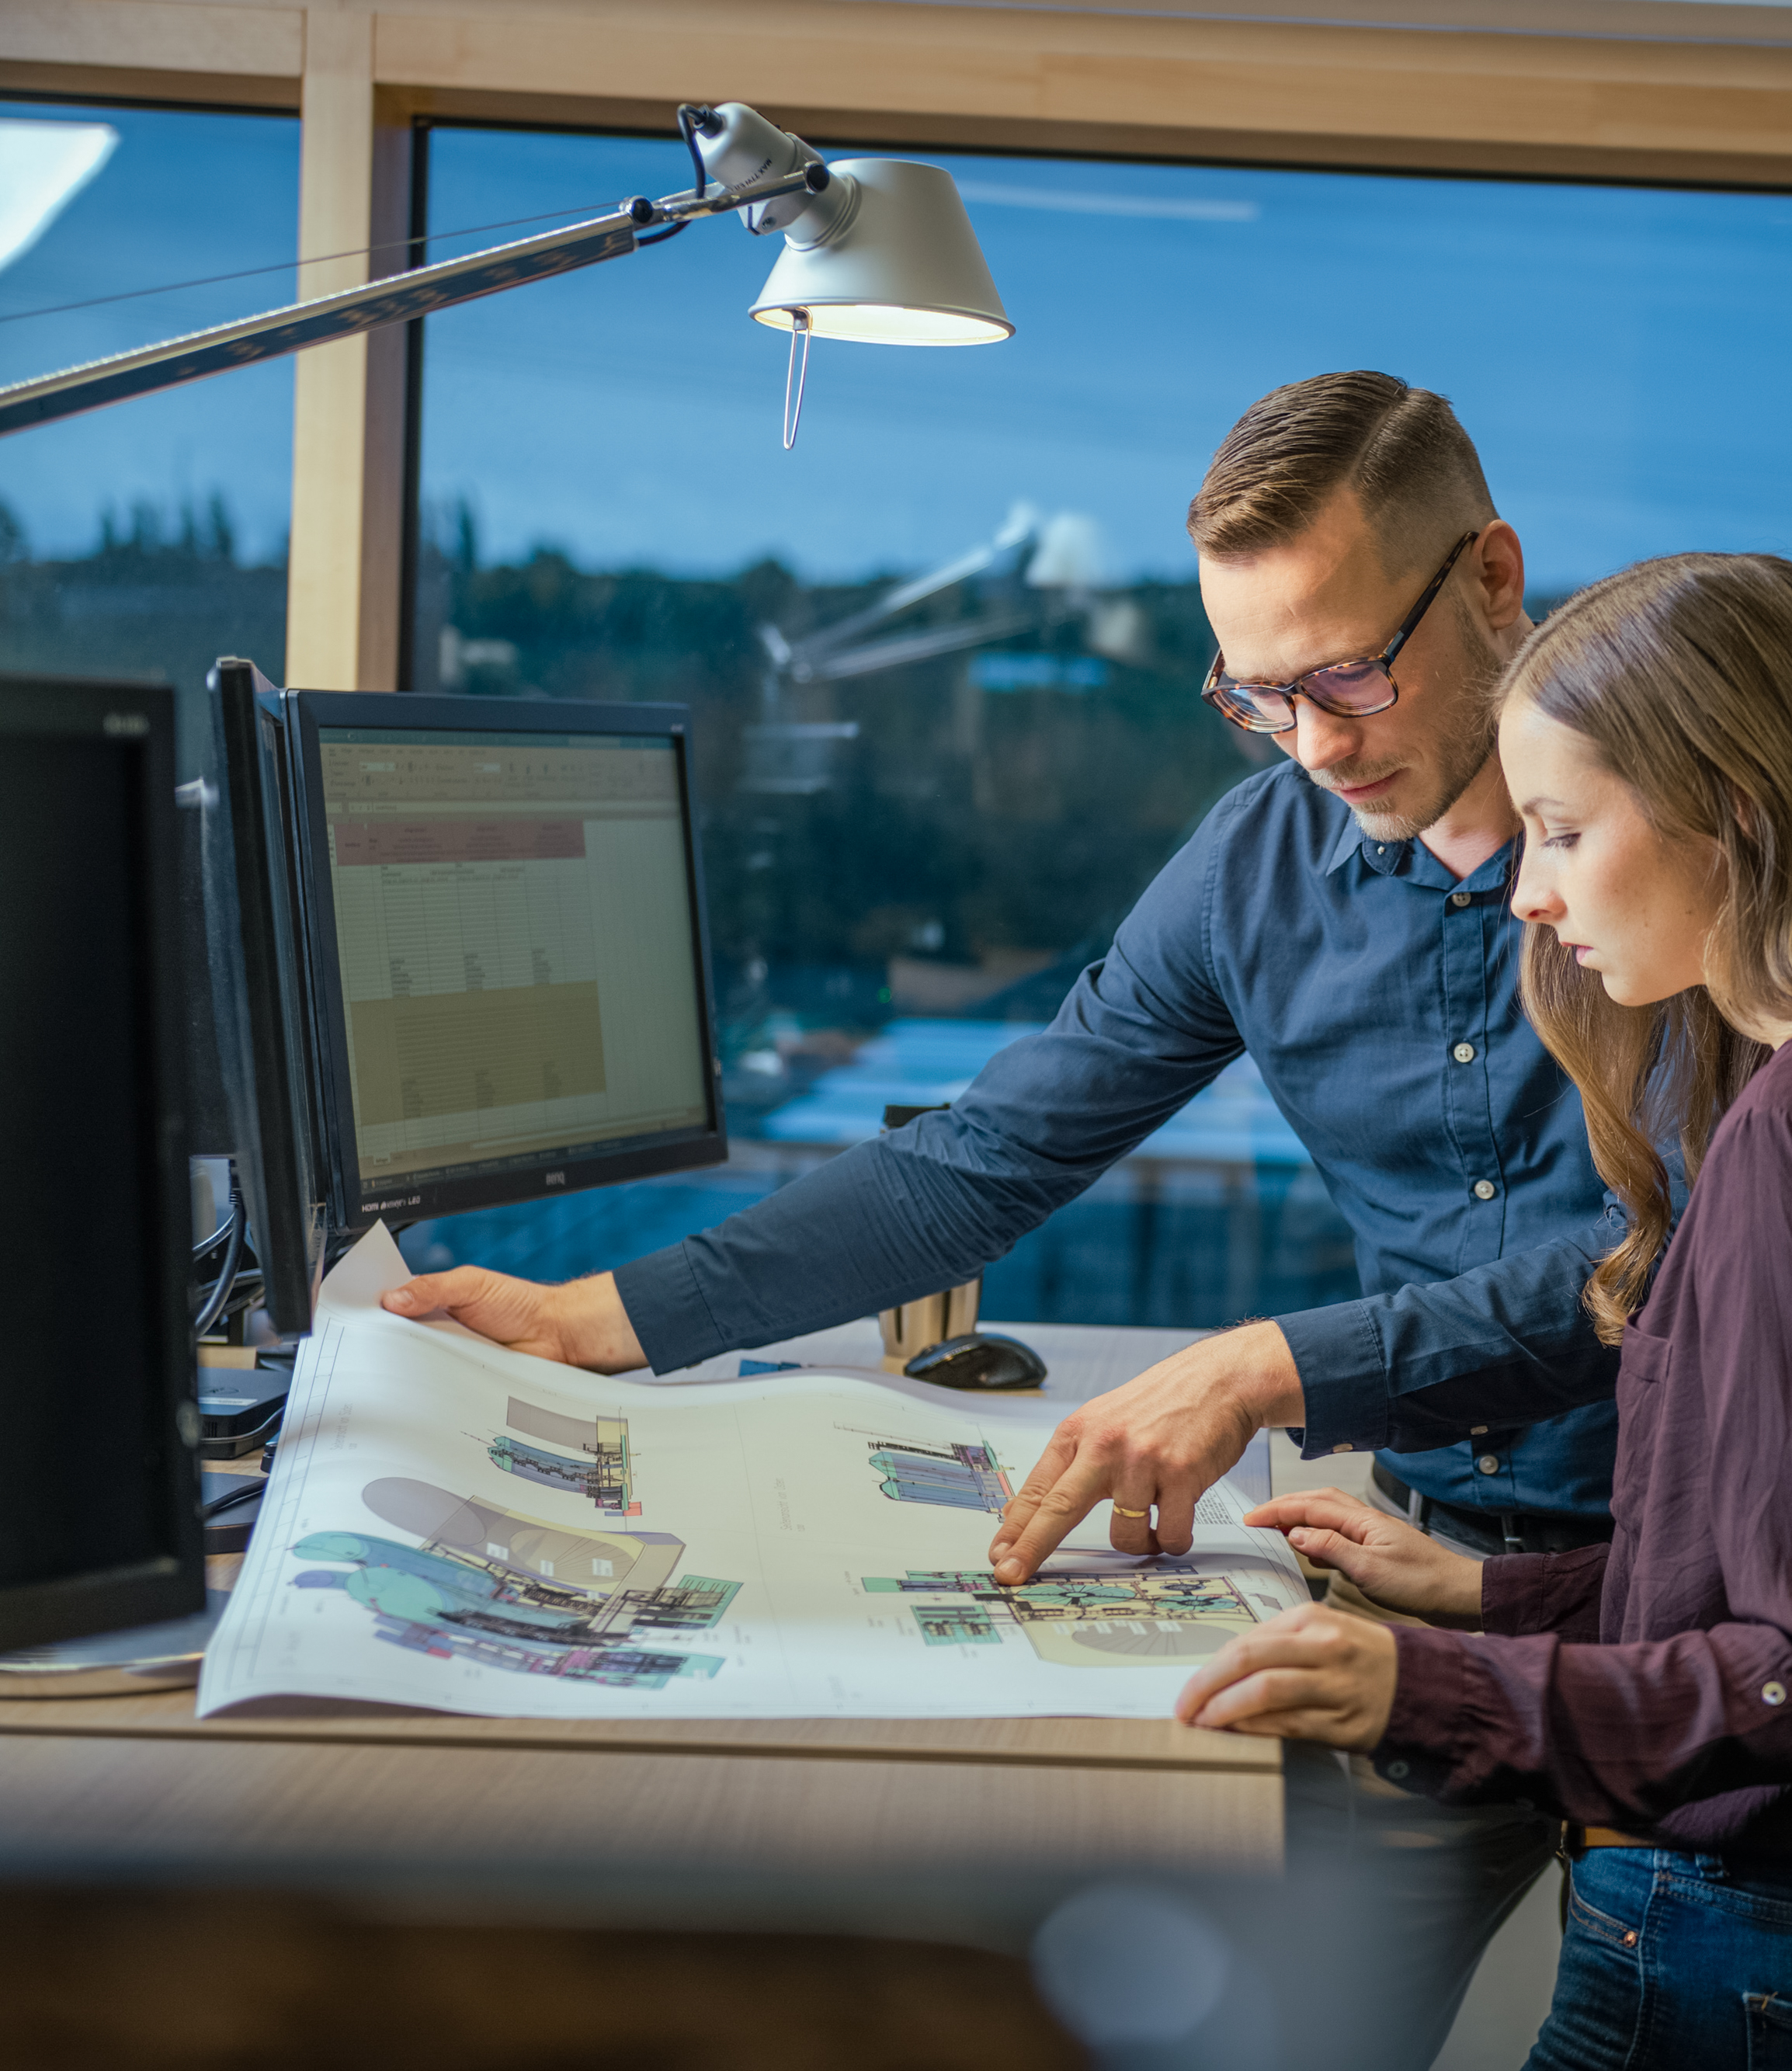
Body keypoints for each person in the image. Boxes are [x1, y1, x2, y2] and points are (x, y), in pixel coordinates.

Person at [373, 372, 1637, 2065]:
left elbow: (1676, 1266)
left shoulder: (1678, 843)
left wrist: (1269, 1366)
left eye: (1347, 670)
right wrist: (601, 1311)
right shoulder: (1257, 861)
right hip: (1427, 1574)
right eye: (1255, 694)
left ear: (1492, 576)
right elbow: (983, 1156)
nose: (1316, 743)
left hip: (1706, 1594)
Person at [1179, 552, 1792, 2067]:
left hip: (1772, 1957)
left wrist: (1421, 1687)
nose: (1528, 888)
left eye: (1562, 829)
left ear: (1737, 809)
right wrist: (1477, 1592)